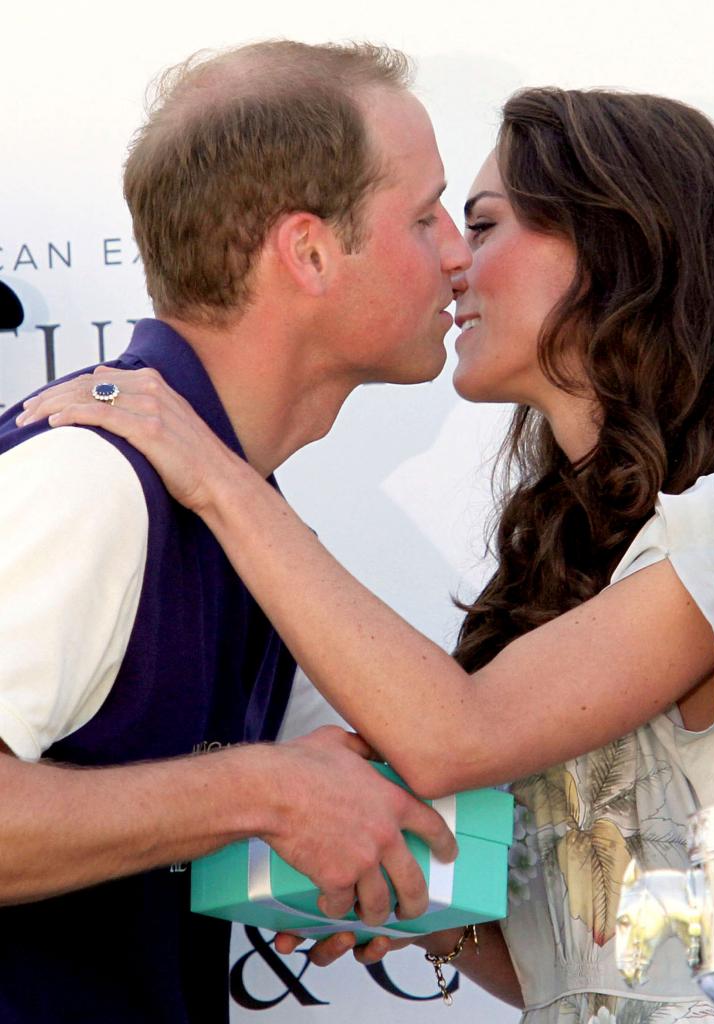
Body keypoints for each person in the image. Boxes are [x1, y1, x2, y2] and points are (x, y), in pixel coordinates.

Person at [21, 87, 714, 1023]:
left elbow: (458, 737)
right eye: (436, 223)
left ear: (617, 252)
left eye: (482, 224)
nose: (454, 263)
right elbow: (579, 962)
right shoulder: (573, 555)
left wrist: (216, 475)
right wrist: (419, 914)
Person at [0, 40, 467, 1024]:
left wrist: (329, 826)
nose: (458, 253)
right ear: (306, 251)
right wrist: (263, 793)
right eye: (423, 216)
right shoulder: (90, 478)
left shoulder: (231, 506)